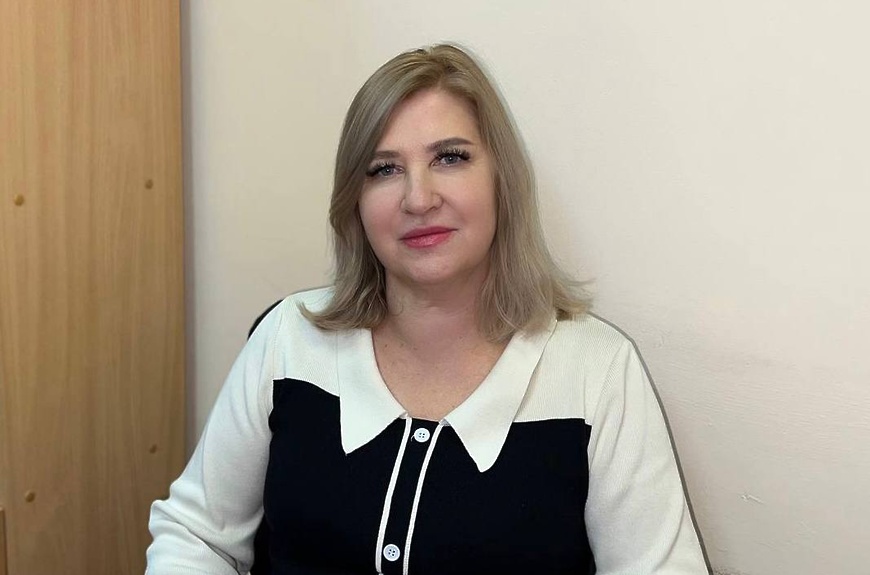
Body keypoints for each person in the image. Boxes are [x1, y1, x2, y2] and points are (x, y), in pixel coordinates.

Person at [146, 44, 709, 574]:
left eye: (450, 157)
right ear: (355, 202)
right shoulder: (288, 338)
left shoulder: (597, 371)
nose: (418, 198)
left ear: (502, 181)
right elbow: (196, 534)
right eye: (383, 169)